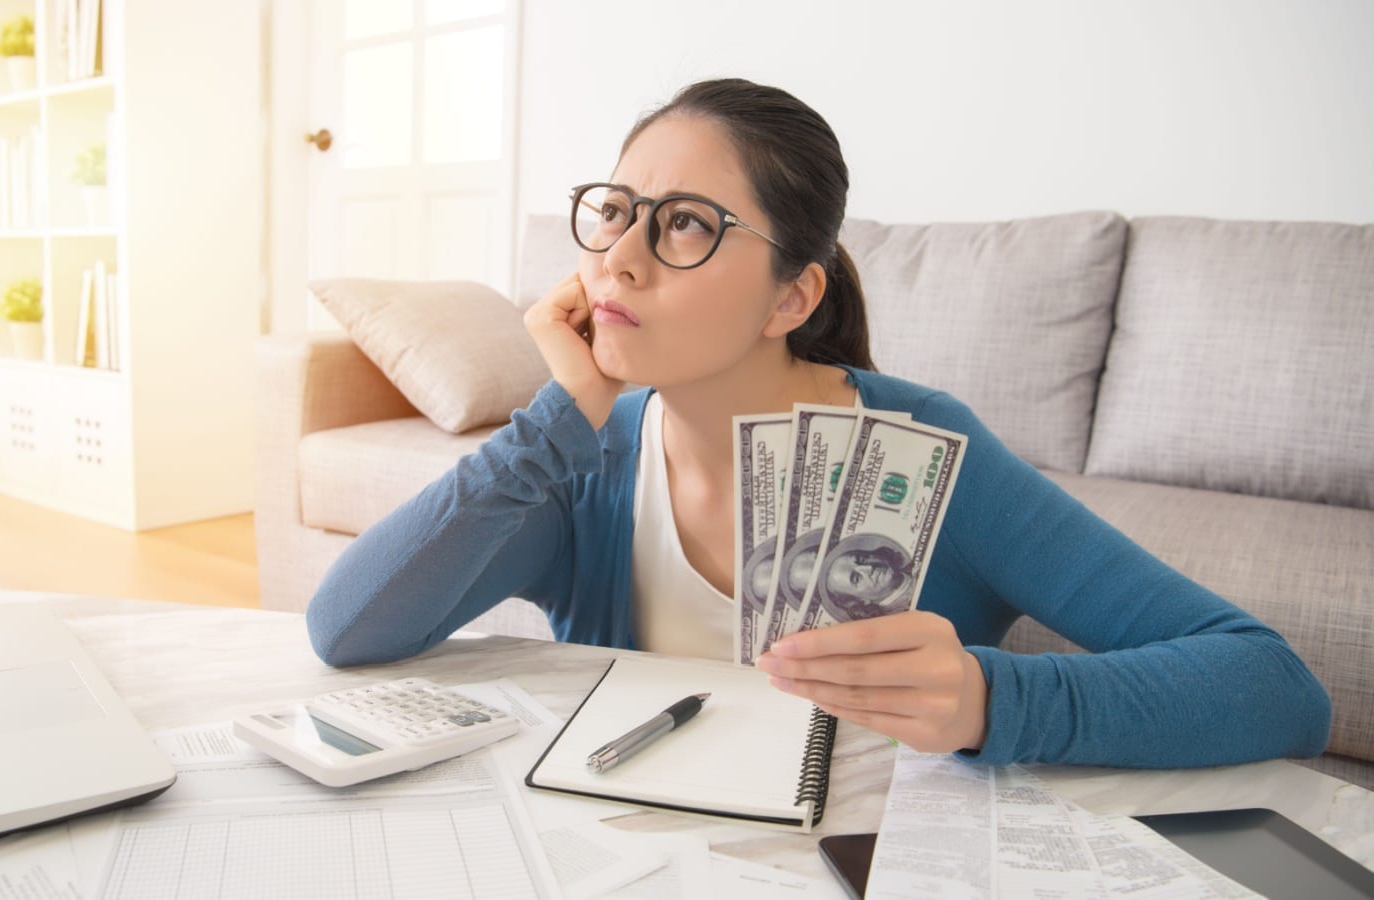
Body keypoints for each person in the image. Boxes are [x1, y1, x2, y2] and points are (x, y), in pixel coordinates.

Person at [306, 78, 1331, 769]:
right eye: (616, 210)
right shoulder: (576, 459)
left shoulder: (931, 454)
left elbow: (1274, 686)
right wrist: (552, 419)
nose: (617, 257)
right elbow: (347, 631)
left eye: (685, 225)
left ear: (791, 298)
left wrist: (986, 700)